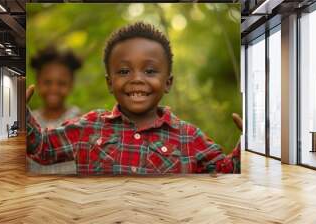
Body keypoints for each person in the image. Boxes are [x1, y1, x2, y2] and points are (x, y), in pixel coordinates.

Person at [26, 22, 243, 175]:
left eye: (149, 71)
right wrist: (20, 113)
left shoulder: (189, 137)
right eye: (123, 71)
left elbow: (227, 170)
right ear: (109, 83)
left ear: (168, 82)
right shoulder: (90, 127)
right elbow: (42, 147)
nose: (137, 79)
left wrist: (250, 142)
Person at [27, 46, 82, 174]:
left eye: (61, 83)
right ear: (38, 82)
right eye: (47, 82)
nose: (54, 88)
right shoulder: (29, 120)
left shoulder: (80, 119)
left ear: (71, 84)